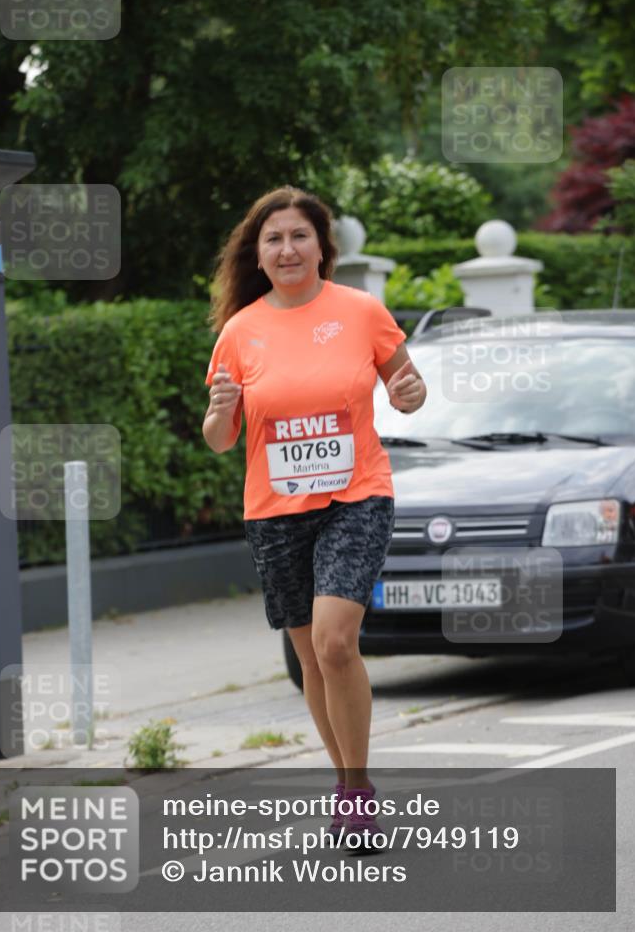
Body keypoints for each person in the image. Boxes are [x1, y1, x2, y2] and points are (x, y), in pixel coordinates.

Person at [203, 185, 426, 850]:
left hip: (355, 496)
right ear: (259, 254)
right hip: (274, 509)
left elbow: (406, 390)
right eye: (273, 238)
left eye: (298, 235)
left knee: (334, 642)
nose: (286, 248)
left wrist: (411, 393)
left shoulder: (359, 312)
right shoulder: (239, 331)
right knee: (308, 657)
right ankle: (346, 786)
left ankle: (357, 792)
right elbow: (220, 437)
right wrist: (219, 411)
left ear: (320, 247)